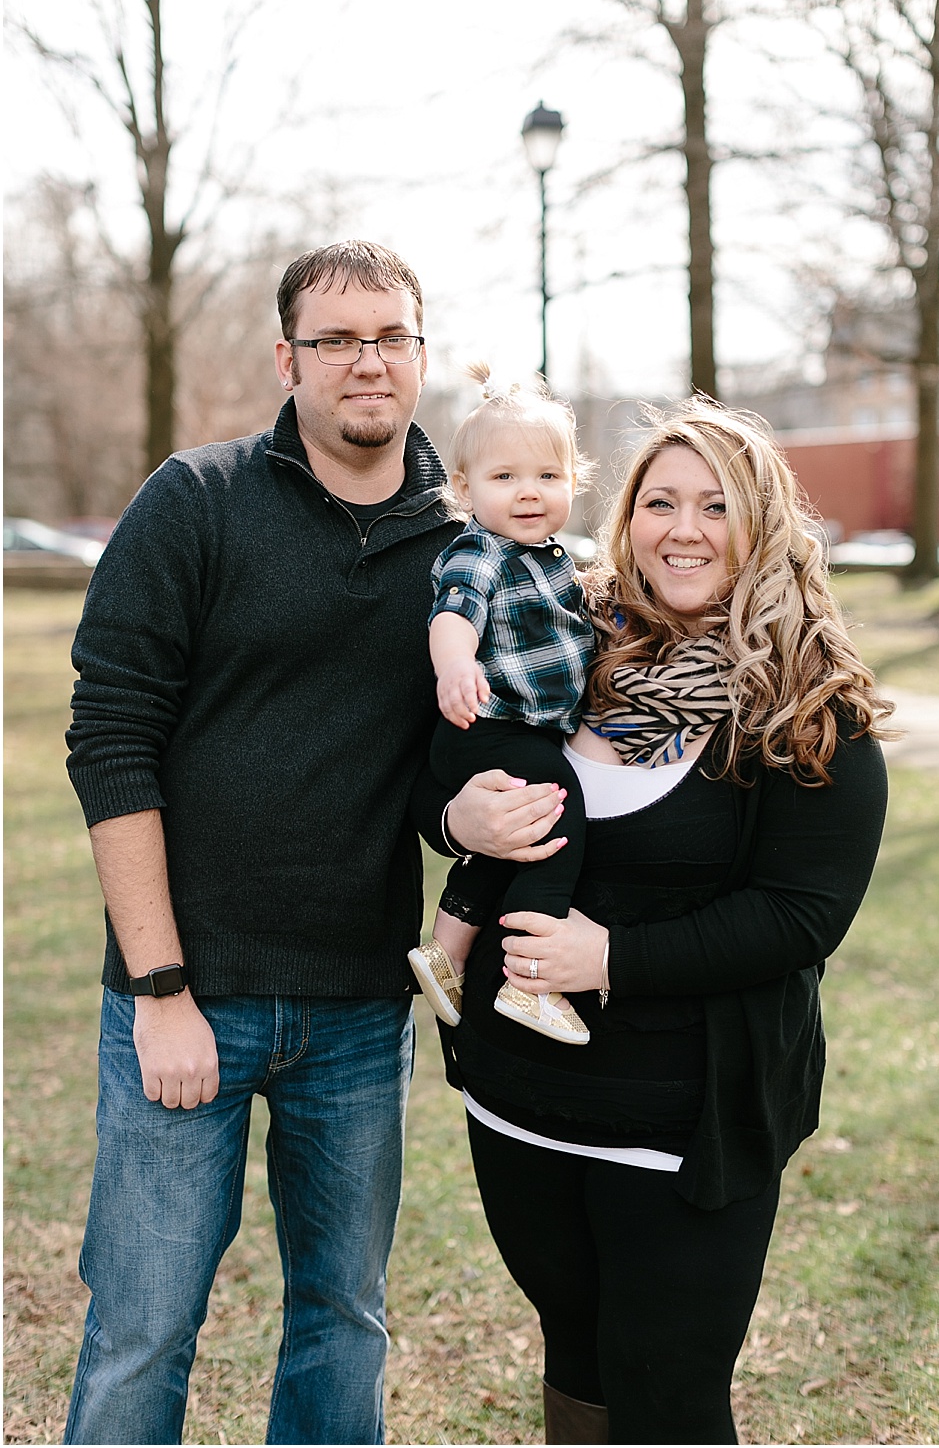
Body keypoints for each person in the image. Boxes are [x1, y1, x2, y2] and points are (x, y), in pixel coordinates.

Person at [60, 240, 563, 1447]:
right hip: (189, 995)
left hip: (356, 1010)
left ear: (422, 357)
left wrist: (463, 820)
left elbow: (447, 766)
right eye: (335, 339)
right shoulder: (197, 499)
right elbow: (111, 739)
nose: (365, 361)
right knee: (143, 1328)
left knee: (345, 1320)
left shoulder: (467, 547)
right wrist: (160, 989)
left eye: (390, 336)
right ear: (288, 359)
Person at [423, 396, 893, 1446]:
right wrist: (457, 818)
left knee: (667, 1391)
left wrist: (609, 957)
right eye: (660, 502)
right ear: (625, 515)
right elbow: (443, 768)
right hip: (518, 1100)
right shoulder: (564, 641)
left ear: (762, 523)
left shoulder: (807, 704)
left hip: (684, 1125)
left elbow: (800, 916)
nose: (684, 529)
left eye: (716, 506)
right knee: (576, 1357)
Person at [409, 363, 595, 1047]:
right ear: (465, 489)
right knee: (556, 819)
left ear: (573, 481)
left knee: (507, 839)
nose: (529, 492)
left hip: (518, 731)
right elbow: (453, 613)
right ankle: (530, 979)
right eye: (505, 476)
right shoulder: (481, 551)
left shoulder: (558, 559)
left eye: (548, 475)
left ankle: (446, 951)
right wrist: (455, 665)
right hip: (486, 724)